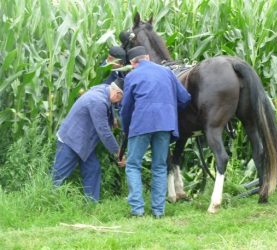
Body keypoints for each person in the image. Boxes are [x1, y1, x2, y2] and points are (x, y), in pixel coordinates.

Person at [120, 46, 191, 218]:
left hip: (141, 124)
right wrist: (169, 110)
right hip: (165, 124)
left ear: (132, 63)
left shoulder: (131, 76)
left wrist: (126, 129)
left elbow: (126, 108)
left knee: (133, 165)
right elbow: (185, 98)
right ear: (148, 57)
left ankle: (137, 210)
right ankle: (158, 211)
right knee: (159, 166)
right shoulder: (166, 72)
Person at [52, 82, 124, 202]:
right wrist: (118, 153)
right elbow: (103, 131)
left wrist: (113, 119)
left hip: (84, 143)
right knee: (59, 175)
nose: (117, 103)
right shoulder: (98, 101)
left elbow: (108, 104)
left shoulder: (103, 89)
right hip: (71, 141)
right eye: (119, 100)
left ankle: (91, 205)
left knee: (93, 170)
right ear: (117, 93)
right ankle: (47, 202)